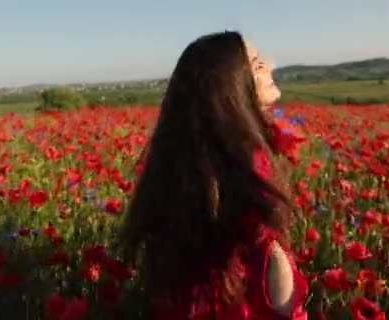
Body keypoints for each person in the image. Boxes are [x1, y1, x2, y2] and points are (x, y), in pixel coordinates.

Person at [118, 31, 308, 319]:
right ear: (231, 87)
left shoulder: (187, 169)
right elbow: (268, 256)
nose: (271, 64)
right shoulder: (246, 162)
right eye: (256, 63)